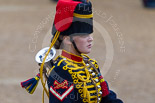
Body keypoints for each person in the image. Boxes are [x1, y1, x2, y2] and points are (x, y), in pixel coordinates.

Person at [44, 0, 123, 103]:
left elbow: (106, 97)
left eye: (90, 35)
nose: (90, 39)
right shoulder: (60, 71)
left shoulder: (90, 64)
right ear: (67, 39)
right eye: (84, 35)